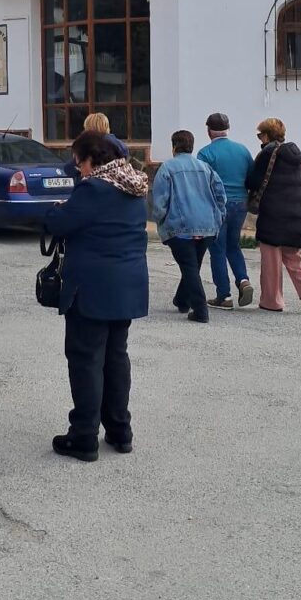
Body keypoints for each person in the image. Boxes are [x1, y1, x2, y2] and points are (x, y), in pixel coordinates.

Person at [44, 129, 148, 462]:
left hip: (92, 288)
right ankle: (120, 431)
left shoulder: (93, 190)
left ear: (93, 159)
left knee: (86, 360)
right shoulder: (133, 186)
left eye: (80, 162)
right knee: (116, 358)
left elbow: (57, 223)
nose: (79, 169)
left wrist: (59, 208)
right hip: (128, 286)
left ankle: (84, 436)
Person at [151, 129, 226, 324]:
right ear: (192, 146)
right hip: (207, 225)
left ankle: (200, 310)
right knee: (192, 265)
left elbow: (160, 201)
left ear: (174, 146)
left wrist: (160, 220)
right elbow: (220, 195)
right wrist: (218, 217)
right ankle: (182, 300)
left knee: (189, 267)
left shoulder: (167, 168)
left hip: (180, 227)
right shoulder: (205, 167)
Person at [247, 118, 301, 313]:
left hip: (273, 215)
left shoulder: (267, 153)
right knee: (292, 254)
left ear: (267, 135)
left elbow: (253, 180)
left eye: (260, 135)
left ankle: (272, 301)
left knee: (271, 259)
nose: (259, 138)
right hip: (296, 214)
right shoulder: (294, 156)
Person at [198, 112, 255, 309]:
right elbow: (251, 176)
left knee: (217, 249)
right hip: (240, 203)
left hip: (217, 205)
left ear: (208, 131)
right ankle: (243, 279)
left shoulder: (205, 154)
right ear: (227, 128)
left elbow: (202, 183)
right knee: (234, 245)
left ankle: (224, 295)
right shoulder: (243, 150)